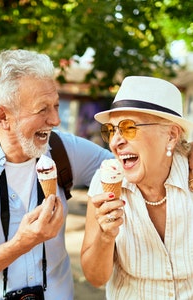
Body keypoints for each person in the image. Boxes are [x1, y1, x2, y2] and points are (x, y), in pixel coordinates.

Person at [0, 49, 113, 299]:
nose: (55, 120)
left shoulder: (65, 150)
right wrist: (23, 242)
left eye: (55, 106)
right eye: (42, 109)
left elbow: (127, 167)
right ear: (3, 116)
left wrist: (185, 151)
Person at [81, 76, 193, 299]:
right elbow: (95, 278)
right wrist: (105, 236)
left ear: (171, 136)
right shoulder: (105, 182)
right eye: (111, 130)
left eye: (129, 128)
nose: (115, 141)